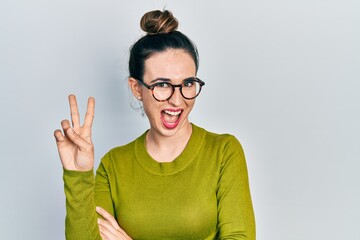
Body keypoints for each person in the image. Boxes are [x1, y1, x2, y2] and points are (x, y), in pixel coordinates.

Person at [54, 9, 256, 240]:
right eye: (162, 85)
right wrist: (77, 176)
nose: (177, 100)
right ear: (136, 88)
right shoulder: (114, 165)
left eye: (188, 83)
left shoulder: (223, 151)